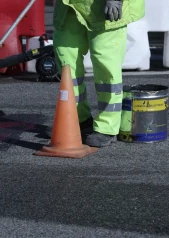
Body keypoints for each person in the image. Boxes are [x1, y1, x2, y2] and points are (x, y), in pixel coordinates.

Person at [51, 0, 145, 147]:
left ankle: (107, 127)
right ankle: (77, 120)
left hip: (103, 5)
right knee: (66, 60)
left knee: (106, 63)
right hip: (69, 5)